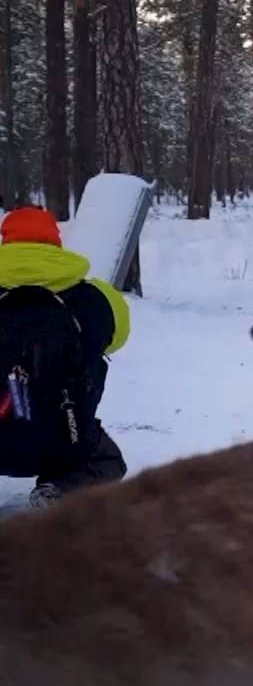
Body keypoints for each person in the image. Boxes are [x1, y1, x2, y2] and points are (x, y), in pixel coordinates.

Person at [0, 205, 131, 510]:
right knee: (109, 462)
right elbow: (117, 340)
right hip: (65, 439)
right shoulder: (97, 298)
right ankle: (60, 490)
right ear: (56, 243)